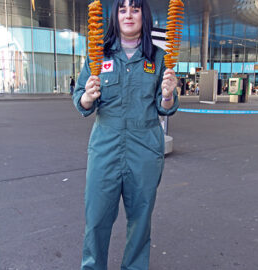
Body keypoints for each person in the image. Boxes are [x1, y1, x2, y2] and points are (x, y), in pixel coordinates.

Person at [72, 0, 179, 269]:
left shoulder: (158, 58)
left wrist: (167, 95)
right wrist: (86, 97)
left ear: (145, 15)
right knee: (96, 219)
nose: (128, 15)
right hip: (105, 148)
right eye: (122, 9)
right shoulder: (99, 55)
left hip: (144, 150)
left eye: (135, 9)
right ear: (114, 16)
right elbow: (81, 100)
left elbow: (164, 106)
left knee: (140, 220)